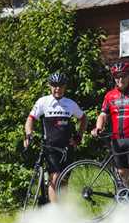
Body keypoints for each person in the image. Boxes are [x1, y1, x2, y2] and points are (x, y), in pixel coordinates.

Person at [24, 72, 87, 203]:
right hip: (50, 146)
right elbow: (30, 119)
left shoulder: (70, 103)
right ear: (49, 86)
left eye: (60, 86)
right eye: (54, 85)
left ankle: (63, 211)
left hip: (67, 147)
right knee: (55, 178)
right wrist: (29, 134)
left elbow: (83, 118)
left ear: (65, 87)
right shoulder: (43, 102)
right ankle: (54, 212)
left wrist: (78, 136)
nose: (57, 88)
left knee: (64, 180)